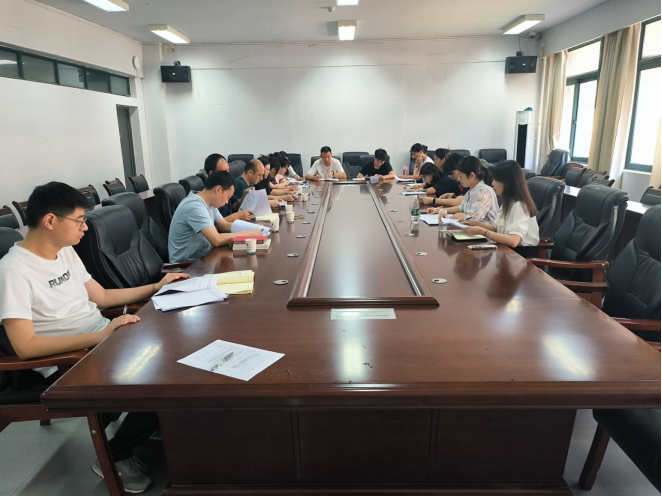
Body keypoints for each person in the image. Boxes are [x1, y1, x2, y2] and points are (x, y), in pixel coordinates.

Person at [0, 182, 190, 493]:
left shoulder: (64, 251)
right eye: (79, 220)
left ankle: (152, 419)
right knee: (163, 380)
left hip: (101, 338)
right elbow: (25, 346)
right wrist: (101, 335)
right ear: (50, 220)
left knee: (179, 351)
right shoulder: (13, 271)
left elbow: (101, 296)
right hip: (68, 361)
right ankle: (116, 455)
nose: (86, 228)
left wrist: (157, 287)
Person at [168, 171, 263, 263]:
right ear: (218, 190)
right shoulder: (195, 207)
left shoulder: (209, 203)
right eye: (228, 197)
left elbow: (224, 225)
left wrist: (253, 228)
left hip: (206, 256)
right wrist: (248, 234)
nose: (227, 202)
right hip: (188, 265)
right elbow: (216, 239)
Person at [463, 160, 540, 257]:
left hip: (521, 256)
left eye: (496, 180)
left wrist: (482, 231)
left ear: (507, 182)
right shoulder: (508, 202)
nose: (492, 183)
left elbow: (513, 241)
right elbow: (497, 228)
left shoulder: (520, 205)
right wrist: (475, 223)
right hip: (506, 251)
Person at [428, 156, 498, 224]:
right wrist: (440, 210)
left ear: (472, 175)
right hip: (472, 228)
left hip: (484, 230)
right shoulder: (471, 190)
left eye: (460, 176)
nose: (459, 179)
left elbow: (475, 218)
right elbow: (461, 208)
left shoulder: (484, 191)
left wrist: (464, 216)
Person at [203, 153, 253, 221]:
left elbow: (234, 206)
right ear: (211, 173)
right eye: (224, 172)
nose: (228, 174)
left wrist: (243, 197)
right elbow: (215, 224)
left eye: (228, 170)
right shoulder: (208, 195)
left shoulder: (227, 187)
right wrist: (237, 216)